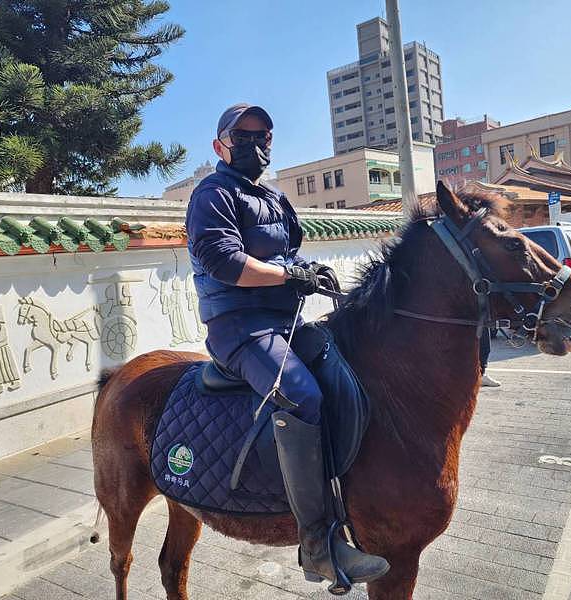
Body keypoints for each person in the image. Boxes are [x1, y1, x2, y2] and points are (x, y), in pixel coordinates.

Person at [185, 103, 389, 585]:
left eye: (264, 136)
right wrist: (287, 273)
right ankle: (317, 545)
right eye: (244, 136)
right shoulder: (210, 195)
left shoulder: (276, 197)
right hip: (238, 326)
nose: (256, 144)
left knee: (347, 370)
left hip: (286, 321)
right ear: (221, 146)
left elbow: (288, 253)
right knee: (301, 394)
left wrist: (307, 274)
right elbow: (224, 262)